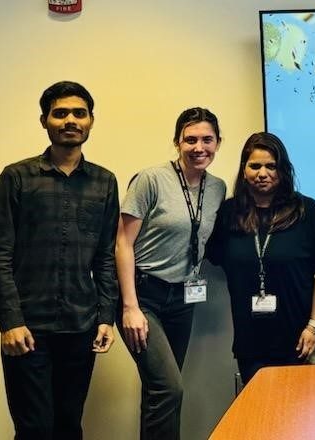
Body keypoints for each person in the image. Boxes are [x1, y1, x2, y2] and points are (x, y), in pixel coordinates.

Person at [0, 81, 119, 439]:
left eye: (79, 113)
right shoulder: (17, 177)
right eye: (60, 113)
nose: (70, 120)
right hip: (28, 329)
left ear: (91, 121)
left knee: (68, 426)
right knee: (35, 429)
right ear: (44, 121)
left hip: (80, 326)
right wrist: (10, 321)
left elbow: (105, 257)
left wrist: (106, 317)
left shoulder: (105, 182)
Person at [116, 107, 226, 439]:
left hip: (182, 298)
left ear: (218, 143)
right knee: (169, 388)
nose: (199, 147)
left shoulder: (217, 188)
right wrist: (130, 307)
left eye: (207, 139)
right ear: (177, 142)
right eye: (190, 140)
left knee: (160, 391)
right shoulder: (151, 179)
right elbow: (122, 243)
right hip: (143, 295)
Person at [206, 132, 315, 383]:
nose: (262, 173)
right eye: (255, 166)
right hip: (251, 339)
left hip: (302, 337)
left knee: (300, 404)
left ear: (283, 170)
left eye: (271, 166)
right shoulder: (229, 212)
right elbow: (210, 254)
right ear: (244, 169)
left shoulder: (305, 209)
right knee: (260, 405)